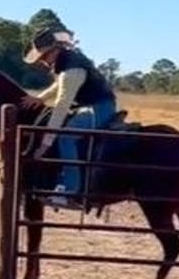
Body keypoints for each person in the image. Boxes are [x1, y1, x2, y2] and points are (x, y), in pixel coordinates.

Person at [21, 27, 118, 209]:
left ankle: (70, 191)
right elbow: (59, 86)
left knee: (66, 137)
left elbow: (62, 103)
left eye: (44, 57)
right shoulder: (67, 62)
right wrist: (40, 98)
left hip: (99, 107)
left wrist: (45, 144)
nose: (42, 62)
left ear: (55, 50)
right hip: (90, 105)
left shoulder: (72, 68)